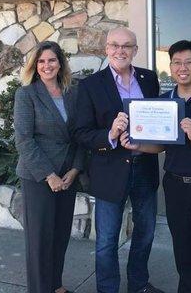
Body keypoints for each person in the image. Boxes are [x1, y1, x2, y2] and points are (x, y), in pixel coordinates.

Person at [120, 40, 191, 293]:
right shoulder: (164, 102)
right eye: (176, 62)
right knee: (184, 252)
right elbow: (161, 146)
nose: (182, 67)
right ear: (171, 66)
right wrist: (137, 145)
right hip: (175, 187)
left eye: (188, 62)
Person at [73, 27, 162, 293]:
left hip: (144, 169)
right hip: (110, 171)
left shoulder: (149, 78)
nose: (120, 51)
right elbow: (80, 132)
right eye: (114, 45)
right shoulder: (90, 85)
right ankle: (107, 289)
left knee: (145, 235)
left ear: (135, 50)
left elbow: (156, 120)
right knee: (107, 240)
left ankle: (138, 285)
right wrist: (110, 134)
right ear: (106, 49)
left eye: (126, 46)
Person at [14, 41, 85, 293]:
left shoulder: (73, 93)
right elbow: (24, 139)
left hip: (68, 176)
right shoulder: (26, 94)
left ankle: (55, 286)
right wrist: (49, 175)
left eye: (52, 60)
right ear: (35, 65)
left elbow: (80, 134)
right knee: (40, 240)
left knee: (59, 236)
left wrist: (75, 169)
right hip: (39, 177)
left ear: (60, 63)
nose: (47, 66)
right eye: (41, 61)